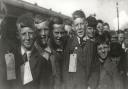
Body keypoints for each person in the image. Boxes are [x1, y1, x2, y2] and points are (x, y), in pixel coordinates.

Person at [15, 13, 50, 89]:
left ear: (35, 34)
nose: (27, 38)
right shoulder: (11, 57)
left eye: (30, 33)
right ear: (18, 35)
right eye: (23, 34)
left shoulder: (43, 61)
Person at [63, 10, 96, 89]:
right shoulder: (69, 45)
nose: (80, 27)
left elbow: (95, 69)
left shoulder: (93, 45)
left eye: (81, 24)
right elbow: (70, 71)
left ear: (86, 24)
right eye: (77, 25)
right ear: (73, 27)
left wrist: (91, 86)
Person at [49, 16, 66, 89]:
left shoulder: (66, 47)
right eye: (56, 33)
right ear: (50, 32)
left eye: (62, 33)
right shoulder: (46, 51)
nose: (60, 36)